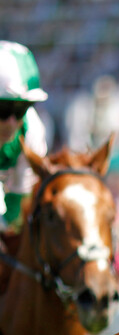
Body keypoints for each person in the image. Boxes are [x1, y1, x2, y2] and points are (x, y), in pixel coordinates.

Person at [0, 41, 48, 233]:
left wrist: (6, 228)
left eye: (20, 110)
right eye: (3, 109)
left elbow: (20, 194)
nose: (12, 122)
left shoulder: (32, 130)